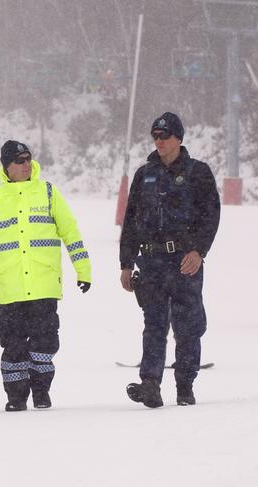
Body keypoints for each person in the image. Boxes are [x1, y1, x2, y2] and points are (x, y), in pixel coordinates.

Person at [0, 140, 92, 412]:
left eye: (28, 159)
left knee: (44, 344)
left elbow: (70, 232)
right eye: (19, 160)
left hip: (44, 285)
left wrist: (83, 270)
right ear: (6, 166)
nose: (26, 165)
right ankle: (15, 397)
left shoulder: (48, 193)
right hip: (8, 288)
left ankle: (41, 392)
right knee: (13, 347)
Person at [120, 112, 220, 408]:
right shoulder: (144, 174)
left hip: (184, 261)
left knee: (187, 324)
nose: (159, 141)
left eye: (164, 136)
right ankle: (150, 383)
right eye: (155, 136)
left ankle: (185, 384)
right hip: (151, 261)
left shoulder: (197, 172)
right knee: (154, 324)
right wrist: (126, 262)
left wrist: (198, 251)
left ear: (178, 138)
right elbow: (131, 220)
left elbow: (210, 216)